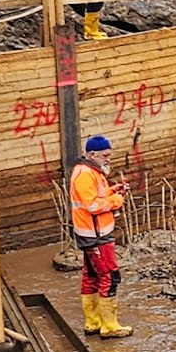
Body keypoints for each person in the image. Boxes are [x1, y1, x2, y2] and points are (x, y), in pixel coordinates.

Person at [70, 135, 132, 337]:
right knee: (109, 276)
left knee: (91, 277)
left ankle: (93, 322)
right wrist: (117, 200)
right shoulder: (85, 175)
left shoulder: (89, 172)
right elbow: (94, 205)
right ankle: (110, 326)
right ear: (92, 154)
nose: (108, 159)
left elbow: (97, 195)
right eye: (105, 156)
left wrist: (114, 190)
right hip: (96, 235)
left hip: (90, 233)